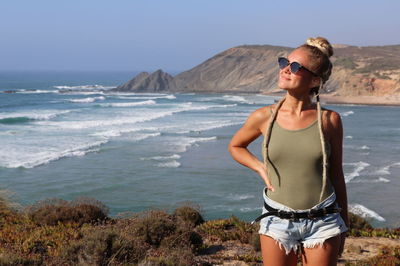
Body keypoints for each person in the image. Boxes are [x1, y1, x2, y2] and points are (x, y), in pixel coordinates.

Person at [228, 37, 349, 266]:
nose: (285, 70)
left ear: (315, 80)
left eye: (294, 67)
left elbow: (337, 174)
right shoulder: (263, 117)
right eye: (284, 62)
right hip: (277, 220)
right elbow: (235, 146)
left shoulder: (329, 120)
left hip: (323, 221)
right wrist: (260, 167)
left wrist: (344, 224)